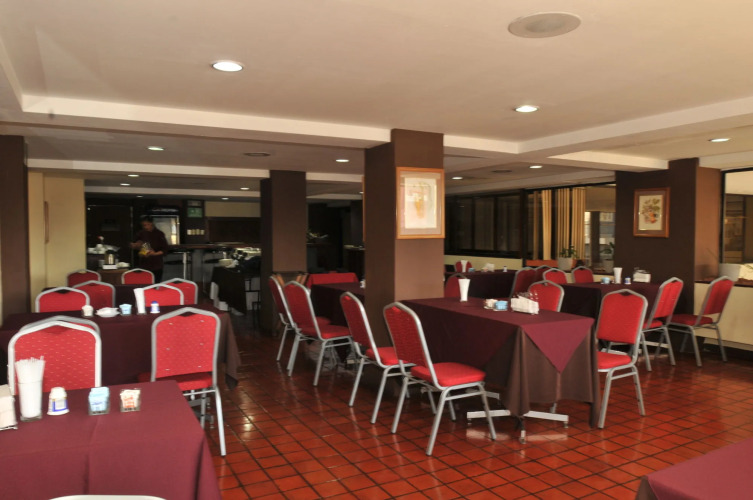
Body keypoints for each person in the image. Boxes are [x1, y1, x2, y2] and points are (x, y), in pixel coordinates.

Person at [130, 216, 169, 282]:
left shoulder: (159, 234)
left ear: (151, 223)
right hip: (144, 265)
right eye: (143, 225)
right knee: (145, 283)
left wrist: (155, 253)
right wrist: (135, 245)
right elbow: (135, 244)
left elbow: (165, 249)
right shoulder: (141, 233)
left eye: (146, 225)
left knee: (156, 283)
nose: (145, 227)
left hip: (156, 265)